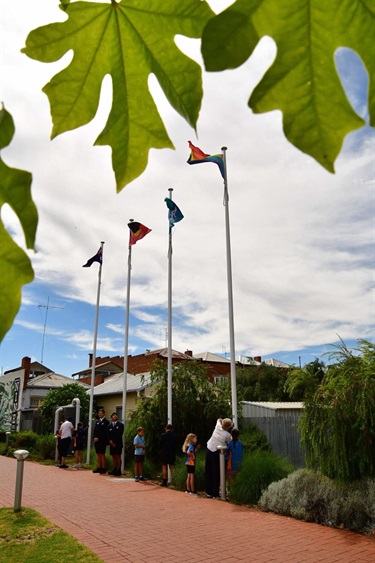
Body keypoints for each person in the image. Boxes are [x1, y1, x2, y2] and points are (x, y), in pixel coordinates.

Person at [205, 418, 233, 498]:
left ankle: (209, 491)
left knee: (209, 471)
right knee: (216, 472)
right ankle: (215, 493)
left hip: (209, 449)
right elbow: (229, 442)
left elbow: (218, 419)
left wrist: (223, 421)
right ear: (228, 427)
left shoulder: (217, 427)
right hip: (216, 453)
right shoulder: (227, 435)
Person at [93, 408, 110, 474]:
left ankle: (103, 467)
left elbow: (105, 432)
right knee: (98, 454)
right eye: (98, 413)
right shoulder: (97, 422)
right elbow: (95, 431)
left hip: (102, 441)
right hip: (96, 441)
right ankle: (99, 467)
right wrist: (94, 437)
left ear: (103, 413)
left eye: (100, 413)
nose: (99, 414)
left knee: (102, 454)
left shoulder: (106, 422)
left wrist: (99, 438)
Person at [107, 412, 124, 476]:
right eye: (114, 415)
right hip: (111, 444)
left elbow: (119, 434)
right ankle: (114, 469)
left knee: (118, 456)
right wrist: (110, 441)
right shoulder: (109, 426)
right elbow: (108, 434)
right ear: (111, 417)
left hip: (118, 443)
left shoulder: (120, 425)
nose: (115, 416)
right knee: (113, 456)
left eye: (116, 415)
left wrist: (114, 441)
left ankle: (118, 470)